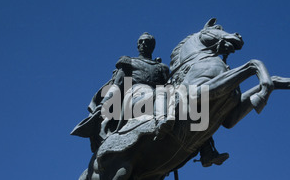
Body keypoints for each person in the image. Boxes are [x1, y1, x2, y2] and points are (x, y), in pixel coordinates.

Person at [71, 32, 228, 167]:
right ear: (137, 45)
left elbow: (168, 84)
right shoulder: (129, 62)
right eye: (141, 42)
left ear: (152, 46)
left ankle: (206, 150)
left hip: (159, 97)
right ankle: (162, 121)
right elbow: (118, 84)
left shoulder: (162, 68)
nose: (144, 44)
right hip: (135, 95)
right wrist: (106, 102)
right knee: (159, 92)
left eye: (148, 42)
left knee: (188, 102)